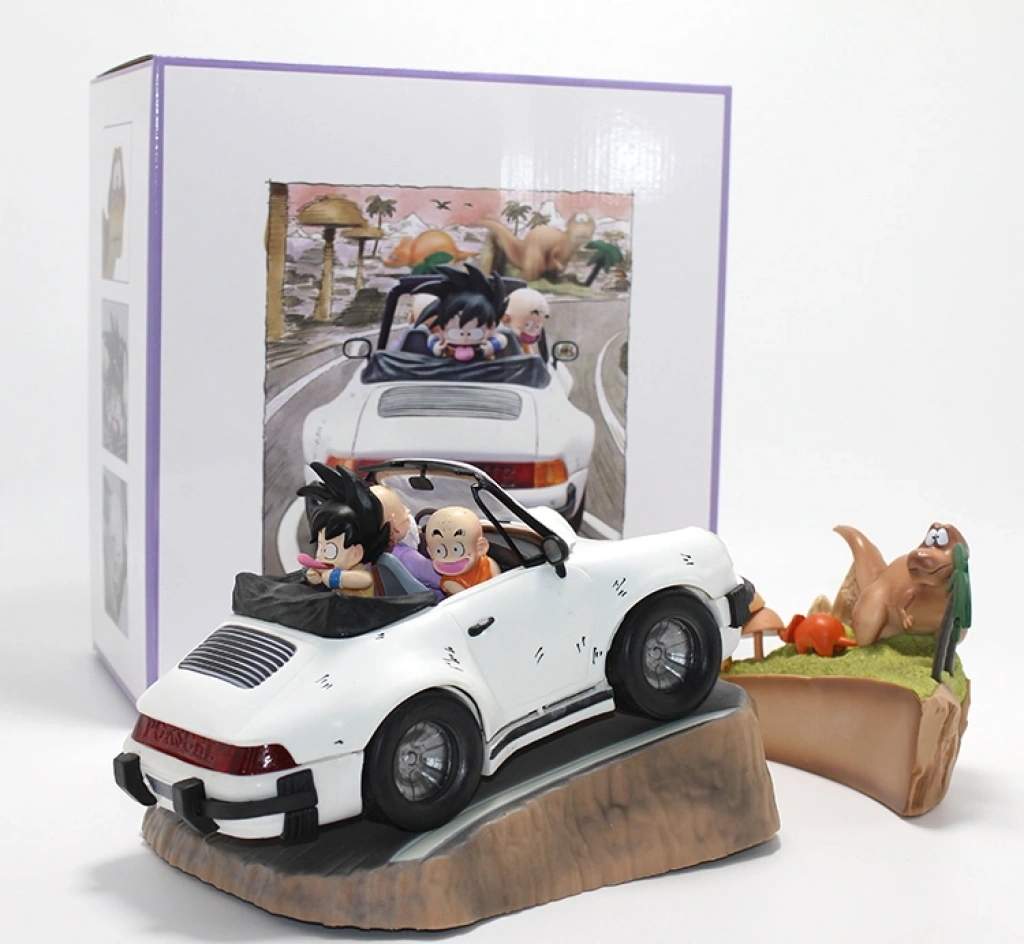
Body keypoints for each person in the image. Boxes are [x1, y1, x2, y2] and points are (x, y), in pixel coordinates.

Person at [296, 462, 390, 597]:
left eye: (330, 551)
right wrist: (314, 576)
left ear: (356, 553)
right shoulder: (332, 567)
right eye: (321, 548)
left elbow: (364, 580)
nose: (321, 556)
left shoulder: (362, 576)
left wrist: (335, 578)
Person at [370, 485, 444, 600]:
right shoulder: (408, 556)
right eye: (402, 507)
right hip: (439, 606)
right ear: (394, 522)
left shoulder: (365, 558)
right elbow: (443, 579)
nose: (408, 510)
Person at [425, 506, 501, 596]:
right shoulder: (449, 582)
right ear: (430, 553)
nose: (450, 559)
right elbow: (470, 597)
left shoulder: (488, 563)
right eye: (440, 551)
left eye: (457, 549)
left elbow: (499, 584)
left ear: (481, 547)